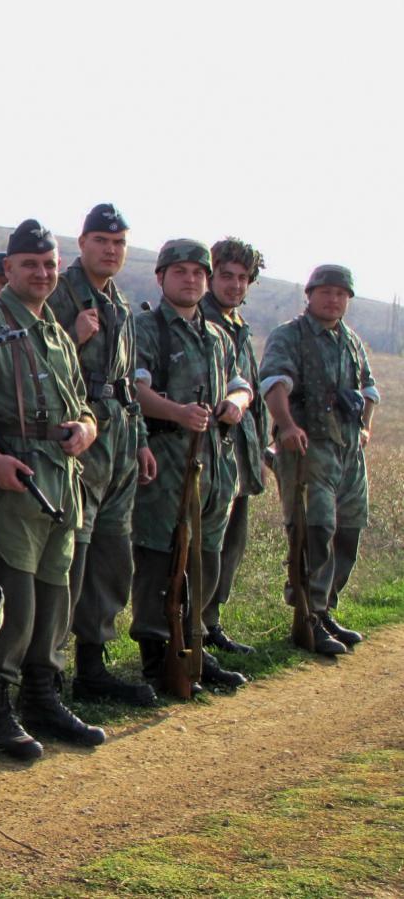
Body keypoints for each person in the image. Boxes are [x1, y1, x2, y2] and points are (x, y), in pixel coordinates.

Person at [0, 219, 104, 759]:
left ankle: (43, 697)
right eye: (29, 265)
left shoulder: (57, 334)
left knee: (53, 599)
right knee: (13, 602)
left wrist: (86, 429)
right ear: (8, 268)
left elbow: (83, 403)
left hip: (61, 482)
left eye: (48, 264)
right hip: (13, 482)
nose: (41, 273)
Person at [46, 204, 157, 707]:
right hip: (78, 439)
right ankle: (47, 669)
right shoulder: (58, 292)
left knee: (112, 557)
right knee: (70, 557)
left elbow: (127, 381)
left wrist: (142, 441)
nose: (111, 251)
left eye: (118, 243)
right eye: (101, 241)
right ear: (82, 243)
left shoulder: (120, 304)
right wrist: (74, 337)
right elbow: (31, 365)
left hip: (120, 442)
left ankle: (93, 666)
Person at [130, 239, 252, 696]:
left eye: (198, 272)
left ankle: (194, 646)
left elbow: (242, 384)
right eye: (180, 271)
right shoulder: (144, 329)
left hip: (213, 467)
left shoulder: (217, 336)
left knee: (204, 559)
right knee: (160, 560)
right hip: (166, 466)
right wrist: (177, 412)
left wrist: (236, 403)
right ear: (160, 276)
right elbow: (134, 390)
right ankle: (156, 656)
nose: (191, 279)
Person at [260, 264, 377, 655]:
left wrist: (365, 427)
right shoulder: (290, 336)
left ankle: (325, 609)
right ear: (309, 295)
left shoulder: (350, 341)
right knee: (316, 529)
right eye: (326, 292)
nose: (333, 299)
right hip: (309, 449)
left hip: (348, 451)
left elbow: (369, 388)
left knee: (349, 529)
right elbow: (274, 382)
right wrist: (287, 426)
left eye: (341, 294)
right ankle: (308, 616)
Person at [199, 237, 268, 655]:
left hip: (241, 451)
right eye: (227, 275)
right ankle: (192, 627)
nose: (235, 285)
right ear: (211, 276)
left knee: (232, 542)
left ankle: (211, 621)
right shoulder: (199, 320)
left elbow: (252, 392)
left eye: (243, 278)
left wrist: (262, 449)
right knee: (205, 545)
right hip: (207, 451)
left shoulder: (238, 326)